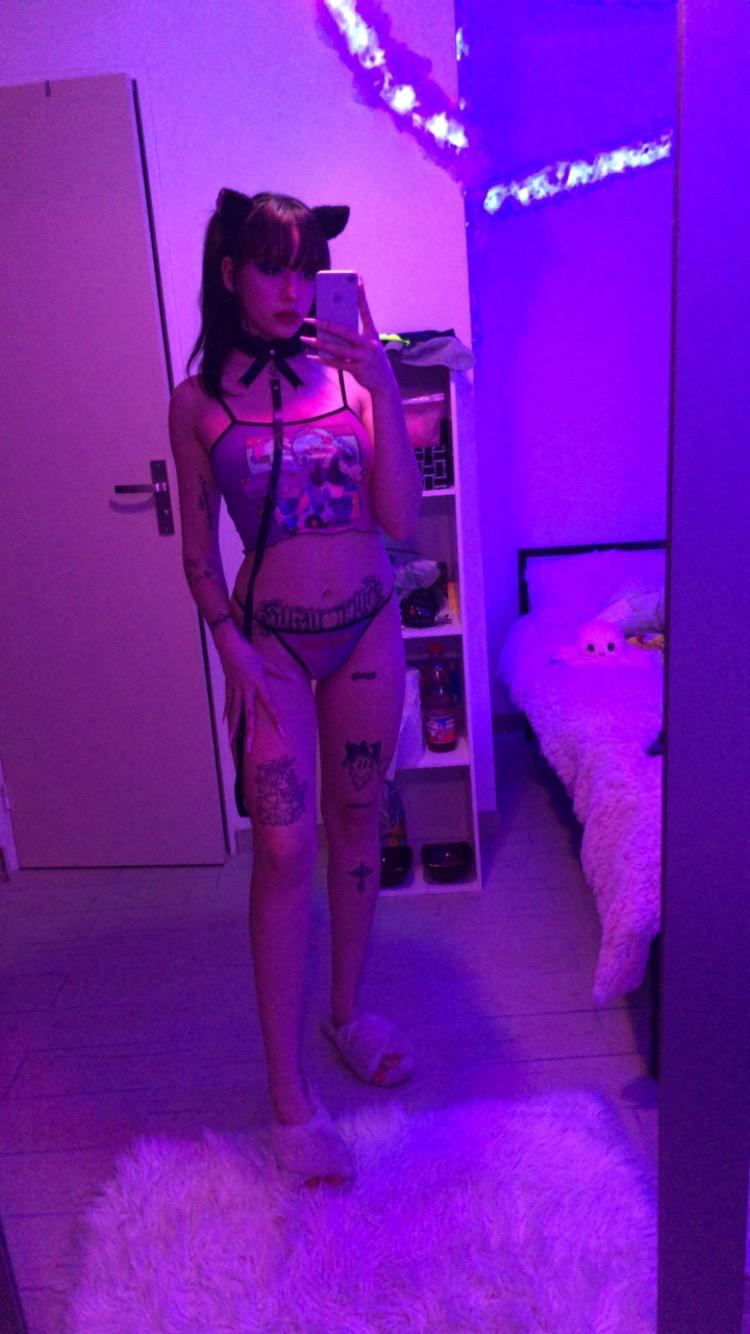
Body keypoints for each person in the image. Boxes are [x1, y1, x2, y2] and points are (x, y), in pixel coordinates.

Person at [168, 189, 423, 1189]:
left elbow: (400, 520)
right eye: (272, 267)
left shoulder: (353, 381)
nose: (291, 288)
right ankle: (287, 1096)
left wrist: (386, 390)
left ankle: (348, 1012)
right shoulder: (197, 403)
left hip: (367, 631)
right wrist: (228, 646)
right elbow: (198, 551)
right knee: (282, 847)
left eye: (306, 268)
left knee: (358, 819)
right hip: (269, 645)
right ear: (230, 273)